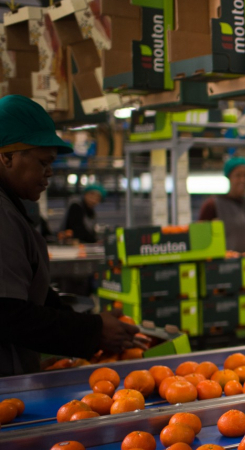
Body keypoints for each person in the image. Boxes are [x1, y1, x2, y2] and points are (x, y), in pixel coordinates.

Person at [0, 95, 141, 377]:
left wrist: (89, 324)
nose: (50, 173)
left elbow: (31, 295)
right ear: (7, 157)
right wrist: (93, 331)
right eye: (43, 162)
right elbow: (9, 314)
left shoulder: (10, 205)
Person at [198, 156, 245, 252]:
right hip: (227, 265)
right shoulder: (213, 205)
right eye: (238, 175)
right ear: (229, 177)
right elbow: (200, 240)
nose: (243, 180)